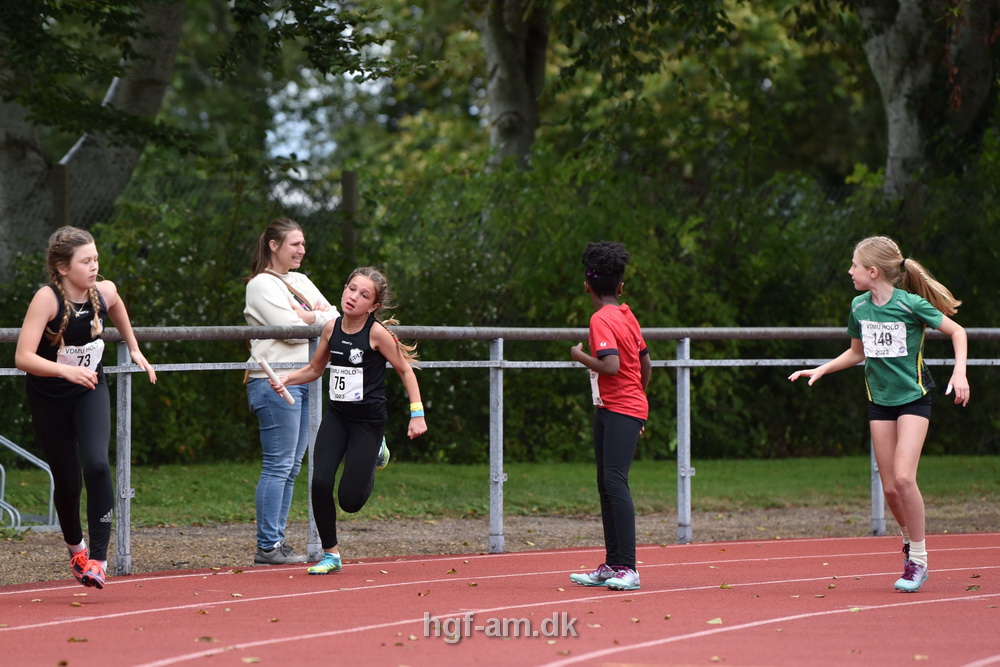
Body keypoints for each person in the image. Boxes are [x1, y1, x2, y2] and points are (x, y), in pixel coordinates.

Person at [789, 235, 970, 593]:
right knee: (889, 489)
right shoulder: (859, 306)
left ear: (873, 271)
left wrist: (960, 371)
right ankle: (908, 540)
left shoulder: (910, 305)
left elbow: (957, 331)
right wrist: (822, 368)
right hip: (880, 402)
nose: (849, 271)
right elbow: (857, 352)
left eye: (854, 265)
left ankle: (918, 560)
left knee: (904, 478)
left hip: (913, 399)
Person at [15, 226, 157, 589]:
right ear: (63, 267)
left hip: (90, 389)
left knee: (96, 463)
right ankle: (75, 549)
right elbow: (23, 357)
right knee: (66, 478)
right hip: (50, 397)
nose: (95, 266)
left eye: (96, 258)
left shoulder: (102, 292)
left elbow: (118, 304)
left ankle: (98, 559)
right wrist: (66, 370)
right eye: (86, 261)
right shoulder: (47, 299)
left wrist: (135, 348)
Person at [266, 266, 426, 574]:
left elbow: (405, 370)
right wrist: (287, 378)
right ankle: (331, 554)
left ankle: (378, 448)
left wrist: (416, 413)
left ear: (374, 306)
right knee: (320, 480)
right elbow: (314, 369)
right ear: (344, 289)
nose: (354, 297)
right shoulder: (331, 328)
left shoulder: (377, 333)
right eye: (352, 289)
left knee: (350, 501)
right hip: (338, 416)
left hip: (368, 422)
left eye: (364, 295)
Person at [245, 218, 378, 566]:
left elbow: (336, 321)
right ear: (274, 245)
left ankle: (276, 542)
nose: (302, 250)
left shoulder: (300, 280)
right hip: (274, 378)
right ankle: (268, 544)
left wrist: (308, 317)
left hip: (305, 379)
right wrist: (310, 317)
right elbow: (289, 331)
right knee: (279, 464)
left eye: (303, 244)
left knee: (293, 466)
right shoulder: (261, 284)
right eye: (295, 244)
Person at [568, 242, 651, 591]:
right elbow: (646, 363)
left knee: (615, 483)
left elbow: (612, 366)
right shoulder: (626, 314)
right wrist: (641, 401)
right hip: (613, 408)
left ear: (587, 285)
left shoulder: (600, 318)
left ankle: (628, 568)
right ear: (620, 286)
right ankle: (614, 564)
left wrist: (579, 356)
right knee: (606, 484)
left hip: (620, 409)